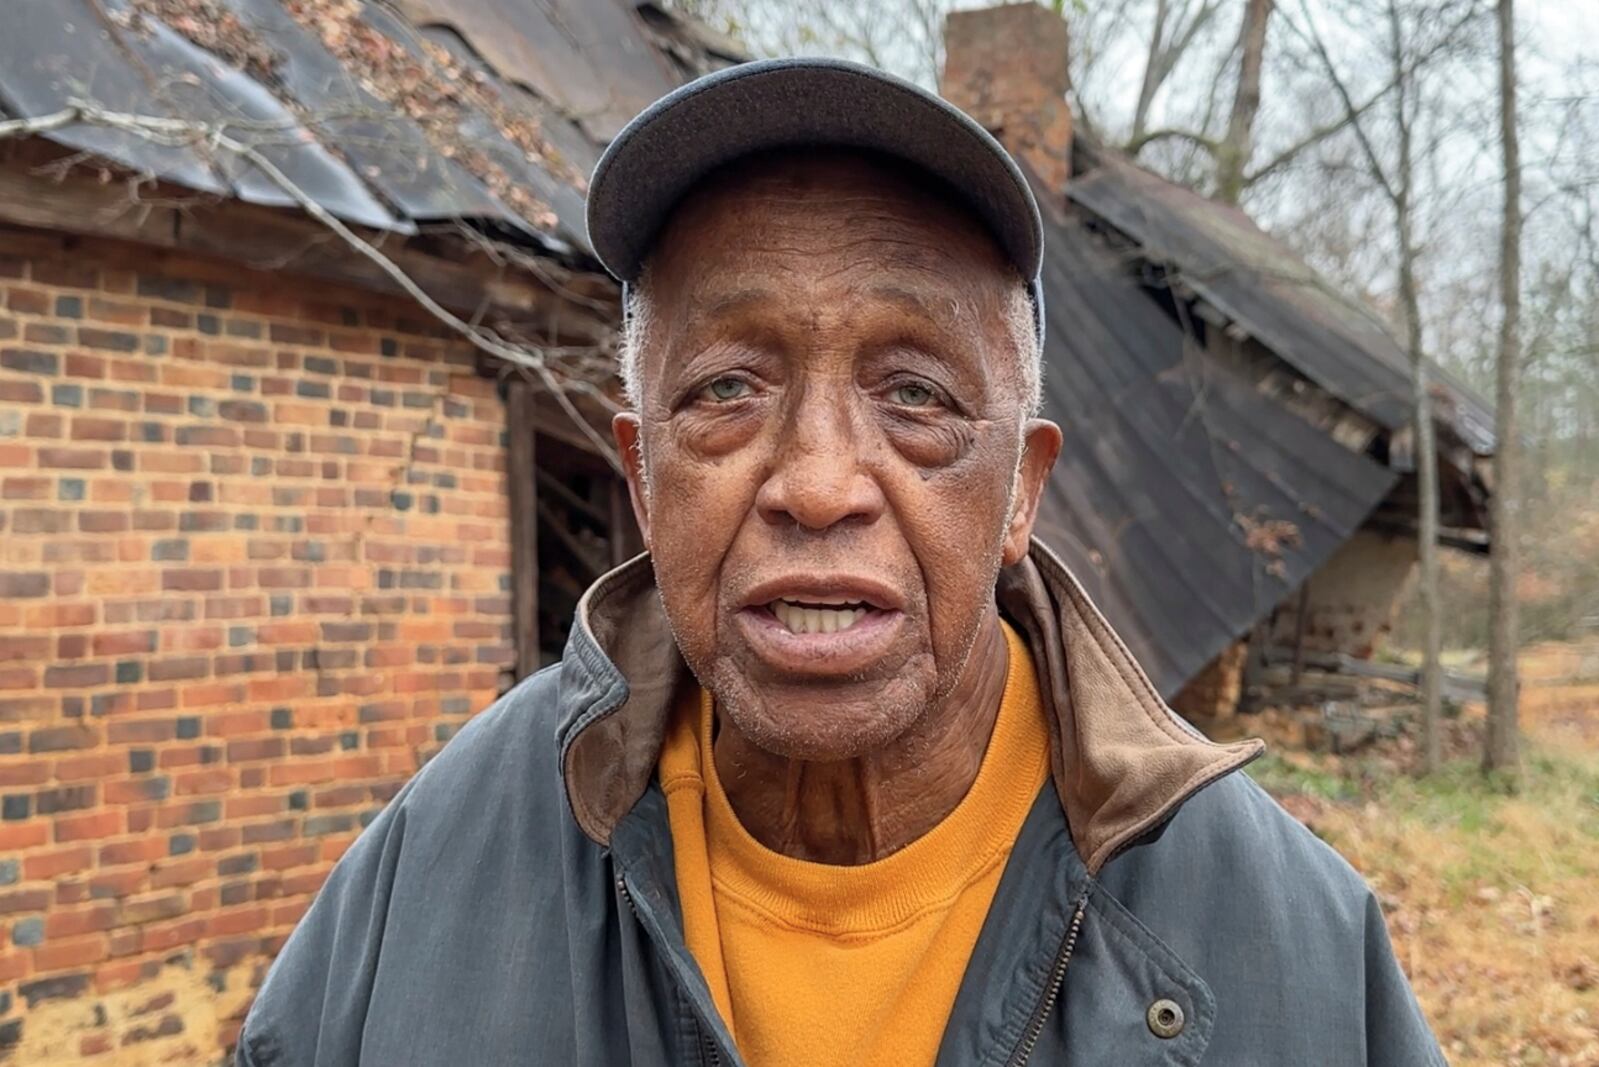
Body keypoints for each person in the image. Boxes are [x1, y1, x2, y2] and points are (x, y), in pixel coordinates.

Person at [236, 58, 1444, 1067]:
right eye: (724, 388)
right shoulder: (430, 869)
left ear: (1021, 487)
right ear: (645, 475)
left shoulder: (1294, 948)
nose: (816, 483)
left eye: (914, 393)